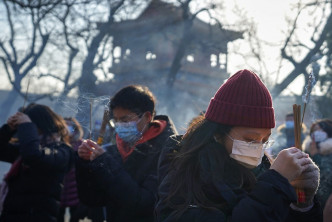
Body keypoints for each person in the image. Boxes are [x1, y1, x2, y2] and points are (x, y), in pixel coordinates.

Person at [156, 69, 322, 222]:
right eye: (250, 139)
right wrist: (274, 184)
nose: (258, 148)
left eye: (265, 141)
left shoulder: (264, 172)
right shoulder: (183, 168)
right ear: (218, 134)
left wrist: (302, 205)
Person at [76, 85, 178, 222]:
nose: (120, 126)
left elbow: (144, 204)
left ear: (147, 117)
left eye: (125, 120)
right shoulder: (116, 149)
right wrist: (86, 163)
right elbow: (93, 199)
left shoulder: (168, 151)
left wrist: (106, 164)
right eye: (116, 121)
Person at [0, 104, 74, 222]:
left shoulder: (62, 150)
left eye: (31, 126)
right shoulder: (25, 148)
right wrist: (8, 129)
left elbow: (33, 156)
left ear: (41, 125)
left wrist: (27, 126)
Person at [57, 117, 88, 222]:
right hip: (59, 189)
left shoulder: (82, 145)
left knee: (75, 217)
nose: (67, 128)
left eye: (70, 125)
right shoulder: (56, 144)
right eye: (65, 125)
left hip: (76, 190)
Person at [302, 119, 332, 208]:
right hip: (308, 197)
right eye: (314, 130)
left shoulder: (329, 151)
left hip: (326, 198)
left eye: (319, 129)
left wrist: (316, 156)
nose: (316, 133)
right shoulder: (308, 149)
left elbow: (327, 175)